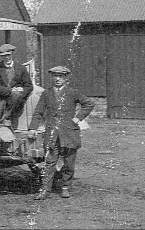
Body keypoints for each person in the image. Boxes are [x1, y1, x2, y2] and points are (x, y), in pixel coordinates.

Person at [28, 66, 95, 200]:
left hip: (69, 133)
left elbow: (89, 103)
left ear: (66, 78)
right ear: (52, 78)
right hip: (52, 134)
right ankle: (45, 189)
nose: (57, 79)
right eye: (55, 76)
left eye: (61, 76)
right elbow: (38, 112)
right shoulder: (46, 93)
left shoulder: (73, 92)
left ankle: (65, 187)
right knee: (49, 162)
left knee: (69, 162)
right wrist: (32, 128)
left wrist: (78, 117)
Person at [0, 43, 33, 127]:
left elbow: (29, 86)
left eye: (8, 55)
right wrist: (11, 91)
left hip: (16, 101)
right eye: (4, 56)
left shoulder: (21, 68)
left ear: (12, 54)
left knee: (17, 95)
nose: (6, 57)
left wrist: (22, 90)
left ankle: (7, 118)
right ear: (1, 56)